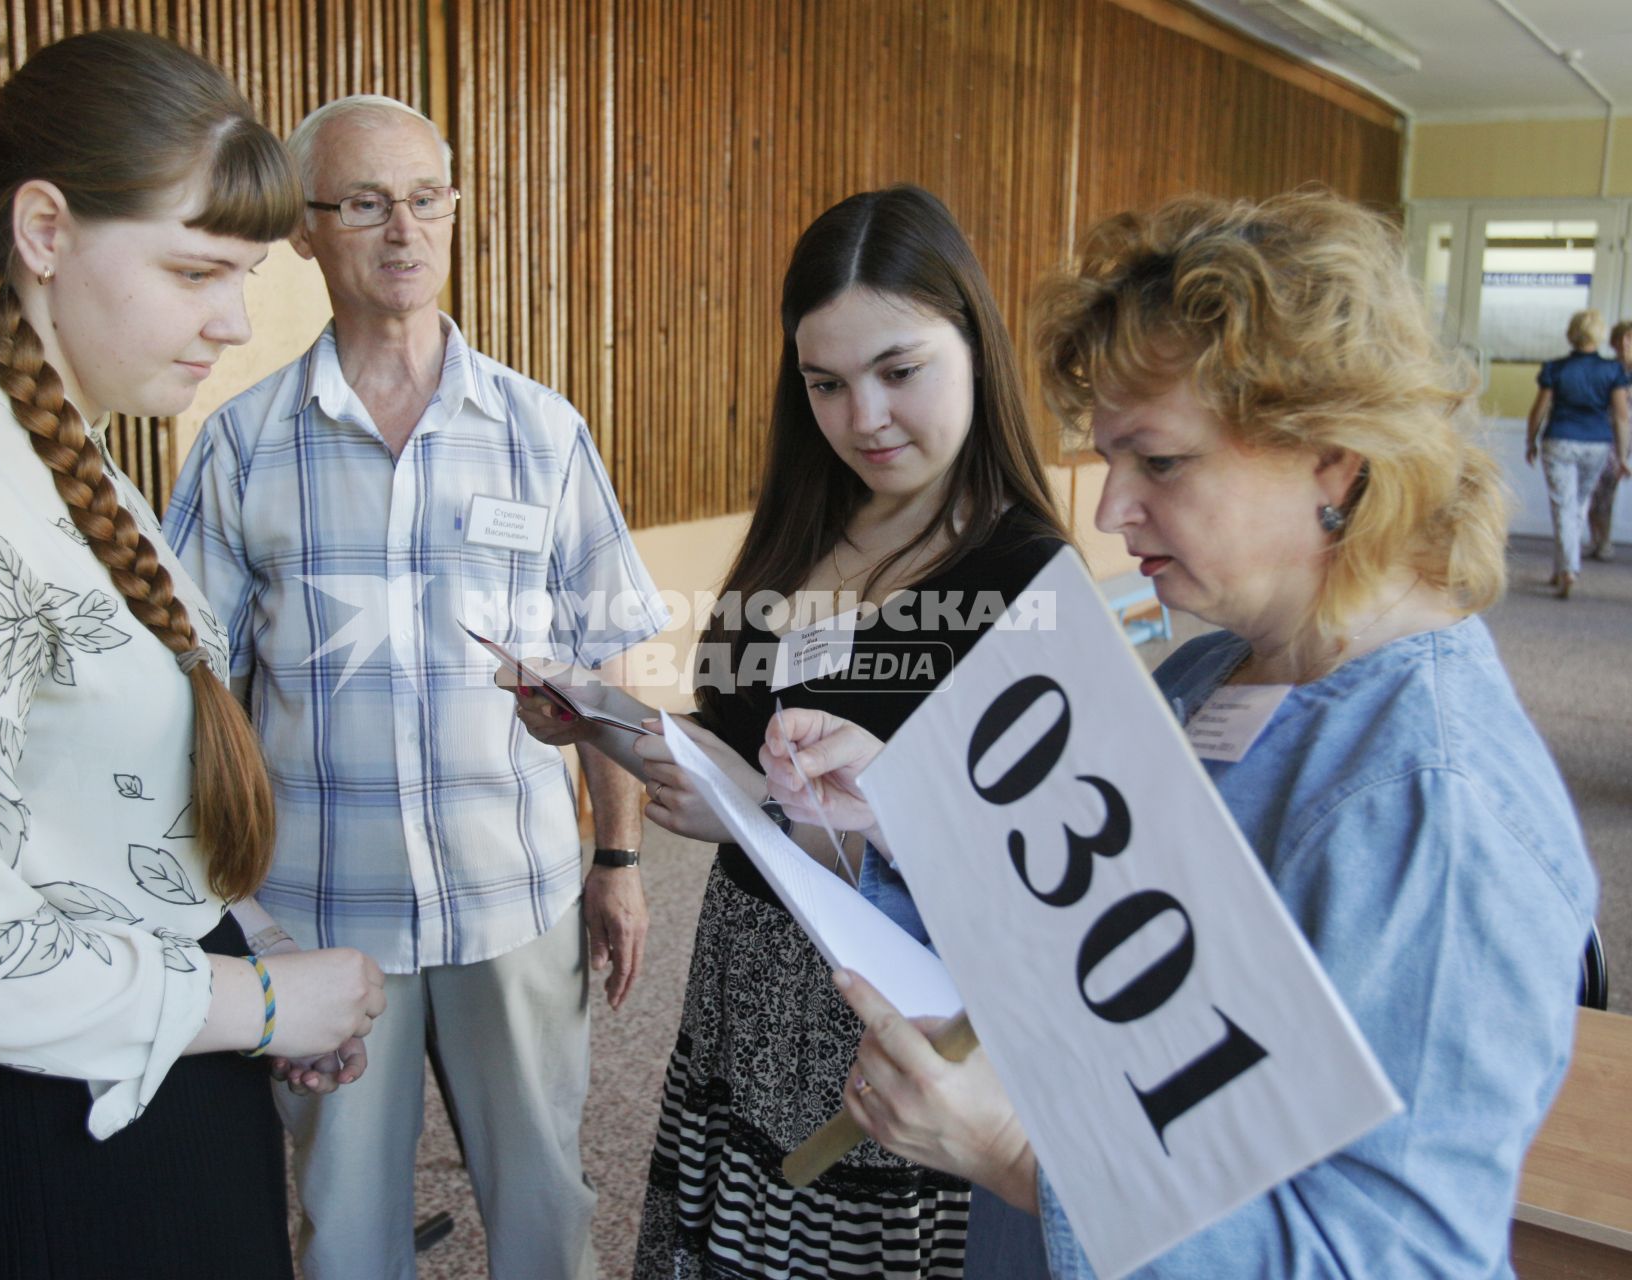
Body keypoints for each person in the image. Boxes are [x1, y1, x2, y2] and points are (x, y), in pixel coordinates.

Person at [763, 191, 1598, 1278]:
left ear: (1333, 461)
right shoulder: (1210, 668)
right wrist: (916, 819)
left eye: (1158, 462)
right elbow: (1072, 930)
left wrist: (1022, 1156)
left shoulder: (1432, 806)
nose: (1111, 512)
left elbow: (1391, 1260)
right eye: (1111, 459)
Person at [0, 30, 387, 1277]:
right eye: (199, 270)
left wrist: (252, 950)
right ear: (45, 230)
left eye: (247, 274)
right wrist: (256, 1003)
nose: (233, 322)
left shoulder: (52, 450)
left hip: (139, 1081)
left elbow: (102, 806)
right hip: (25, 1152)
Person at [509, 184, 1070, 1278]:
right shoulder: (804, 533)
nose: (864, 417)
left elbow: (1029, 877)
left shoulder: (1026, 576)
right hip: (747, 977)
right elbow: (735, 748)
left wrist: (777, 812)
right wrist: (603, 719)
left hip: (884, 1022)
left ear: (974, 345)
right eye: (827, 383)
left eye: (899, 371)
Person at [164, 93, 665, 1280]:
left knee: (550, 1205)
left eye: (428, 198)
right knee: (344, 1228)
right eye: (367, 203)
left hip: (517, 895)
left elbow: (605, 659)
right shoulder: (243, 444)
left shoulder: (541, 432)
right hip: (327, 912)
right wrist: (240, 919)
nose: (405, 230)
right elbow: (199, 697)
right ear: (304, 229)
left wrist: (622, 860)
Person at [1525, 307, 1630, 596]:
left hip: (1559, 440)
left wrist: (1530, 441)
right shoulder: (1613, 371)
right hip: (1597, 444)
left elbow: (1539, 411)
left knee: (1563, 506)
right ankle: (1563, 567)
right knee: (1578, 505)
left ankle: (1568, 568)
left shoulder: (1556, 368)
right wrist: (1621, 456)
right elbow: (1622, 417)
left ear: (1571, 333)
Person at [1584, 319, 1632, 560]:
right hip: (1601, 435)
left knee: (1606, 490)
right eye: (1621, 339)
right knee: (1596, 490)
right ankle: (1598, 539)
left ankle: (1604, 540)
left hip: (1624, 437)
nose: (1625, 344)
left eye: (1630, 339)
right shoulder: (1605, 368)